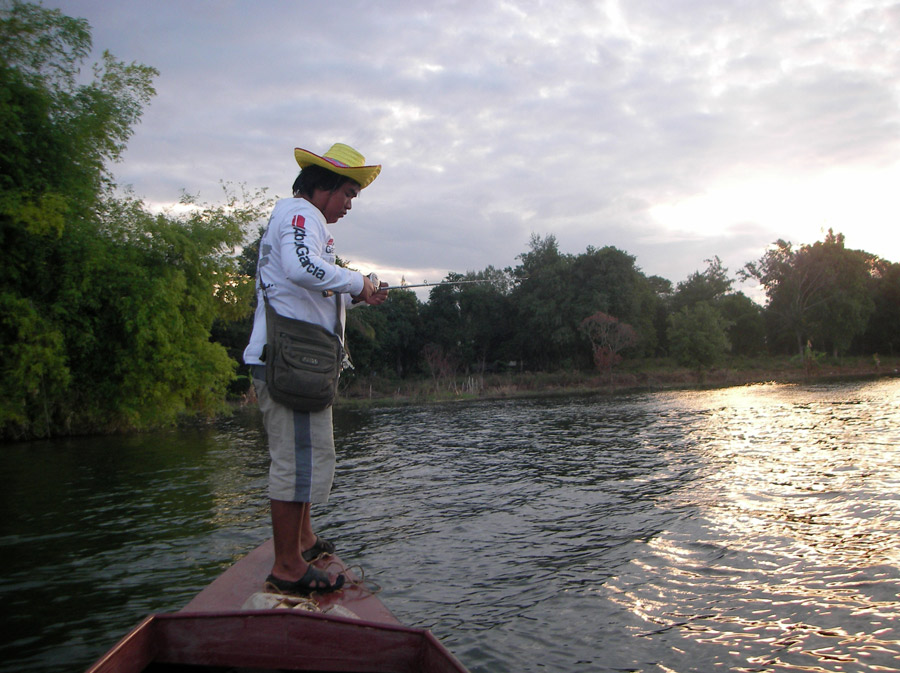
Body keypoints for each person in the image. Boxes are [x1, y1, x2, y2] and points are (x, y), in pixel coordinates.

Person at [243, 142, 387, 596]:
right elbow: (301, 268)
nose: (349, 204)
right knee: (295, 460)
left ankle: (303, 541)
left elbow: (305, 287)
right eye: (347, 193)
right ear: (322, 186)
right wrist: (354, 280)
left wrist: (357, 292)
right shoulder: (300, 215)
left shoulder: (304, 223)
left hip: (299, 363)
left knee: (308, 458)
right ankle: (287, 567)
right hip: (289, 364)